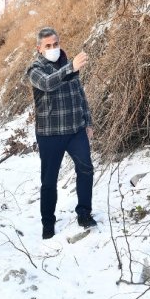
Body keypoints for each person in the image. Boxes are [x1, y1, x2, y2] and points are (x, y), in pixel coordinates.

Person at [26, 27, 97, 240]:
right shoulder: (35, 69)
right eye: (48, 45)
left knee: (86, 170)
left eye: (55, 44)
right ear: (39, 48)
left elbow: (79, 94)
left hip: (76, 130)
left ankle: (84, 213)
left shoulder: (68, 64)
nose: (53, 48)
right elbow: (48, 84)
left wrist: (88, 122)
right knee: (49, 181)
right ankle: (48, 223)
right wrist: (71, 68)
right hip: (50, 134)